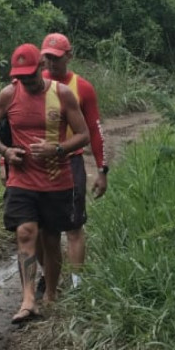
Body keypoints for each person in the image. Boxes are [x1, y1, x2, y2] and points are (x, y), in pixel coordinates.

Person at [0, 44, 90, 323]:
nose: (26, 82)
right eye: (20, 76)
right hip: (22, 178)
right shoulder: (8, 94)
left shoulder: (62, 94)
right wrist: (5, 152)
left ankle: (51, 294)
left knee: (51, 239)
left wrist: (57, 149)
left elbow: (83, 135)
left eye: (30, 75)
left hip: (56, 179)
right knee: (25, 232)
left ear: (40, 67)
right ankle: (28, 298)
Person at [37, 33, 108, 294]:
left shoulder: (83, 88)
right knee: (36, 227)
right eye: (47, 57)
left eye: (56, 58)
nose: (51, 63)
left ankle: (78, 285)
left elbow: (94, 130)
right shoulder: (33, 84)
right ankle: (47, 276)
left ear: (69, 55)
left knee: (74, 225)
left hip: (70, 161)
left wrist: (102, 170)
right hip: (36, 164)